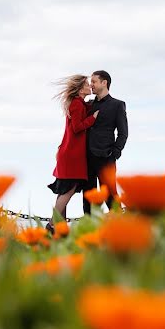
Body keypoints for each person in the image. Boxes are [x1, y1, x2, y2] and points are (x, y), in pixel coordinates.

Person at [47, 75, 99, 231]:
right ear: (80, 88)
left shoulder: (79, 103)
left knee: (65, 190)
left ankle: (58, 228)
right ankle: (51, 224)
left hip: (69, 153)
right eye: (87, 84)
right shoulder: (76, 104)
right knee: (68, 190)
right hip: (72, 155)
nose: (90, 86)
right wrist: (93, 119)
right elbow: (77, 127)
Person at [83, 70, 128, 214]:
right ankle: (90, 232)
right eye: (91, 82)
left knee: (110, 195)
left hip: (106, 157)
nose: (91, 85)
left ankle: (120, 227)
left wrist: (114, 153)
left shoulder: (117, 105)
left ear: (104, 83)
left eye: (94, 81)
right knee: (88, 197)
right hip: (87, 157)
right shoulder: (88, 105)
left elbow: (123, 133)